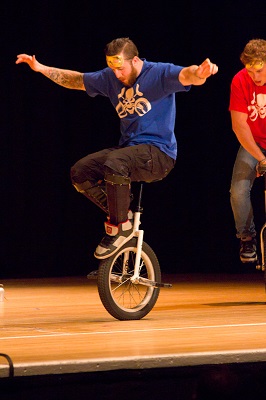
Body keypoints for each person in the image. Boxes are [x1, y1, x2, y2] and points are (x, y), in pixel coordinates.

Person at [16, 37, 218, 260]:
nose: (117, 75)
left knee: (115, 162)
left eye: (120, 68)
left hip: (159, 154)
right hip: (130, 151)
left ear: (135, 61)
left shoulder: (159, 73)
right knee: (80, 171)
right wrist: (40, 67)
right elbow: (75, 80)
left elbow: (186, 75)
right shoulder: (109, 78)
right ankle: (123, 214)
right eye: (112, 68)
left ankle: (120, 226)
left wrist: (200, 73)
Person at [229, 38, 266, 263]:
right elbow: (239, 125)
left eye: (259, 70)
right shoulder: (240, 80)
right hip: (253, 144)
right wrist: (261, 158)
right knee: (238, 191)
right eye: (250, 71)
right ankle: (247, 237)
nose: (255, 77)